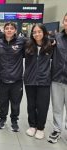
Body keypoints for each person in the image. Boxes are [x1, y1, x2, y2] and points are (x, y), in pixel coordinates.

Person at [24, 23, 53, 139]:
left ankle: (40, 128)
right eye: (34, 32)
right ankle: (32, 125)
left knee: (42, 106)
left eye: (39, 31)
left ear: (44, 33)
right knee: (31, 105)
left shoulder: (50, 46)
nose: (37, 34)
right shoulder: (28, 45)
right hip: (30, 80)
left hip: (44, 81)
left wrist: (52, 39)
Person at [0, 22, 25, 132]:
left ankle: (14, 121)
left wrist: (51, 40)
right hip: (2, 79)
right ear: (3, 30)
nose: (9, 30)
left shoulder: (21, 41)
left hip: (16, 79)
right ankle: (2, 119)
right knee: (2, 101)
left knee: (15, 103)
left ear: (15, 30)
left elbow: (35, 41)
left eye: (11, 28)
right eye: (7, 28)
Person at [48, 13, 67, 143]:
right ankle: (57, 129)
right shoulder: (57, 37)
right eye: (66, 20)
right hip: (56, 78)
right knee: (57, 107)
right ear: (63, 22)